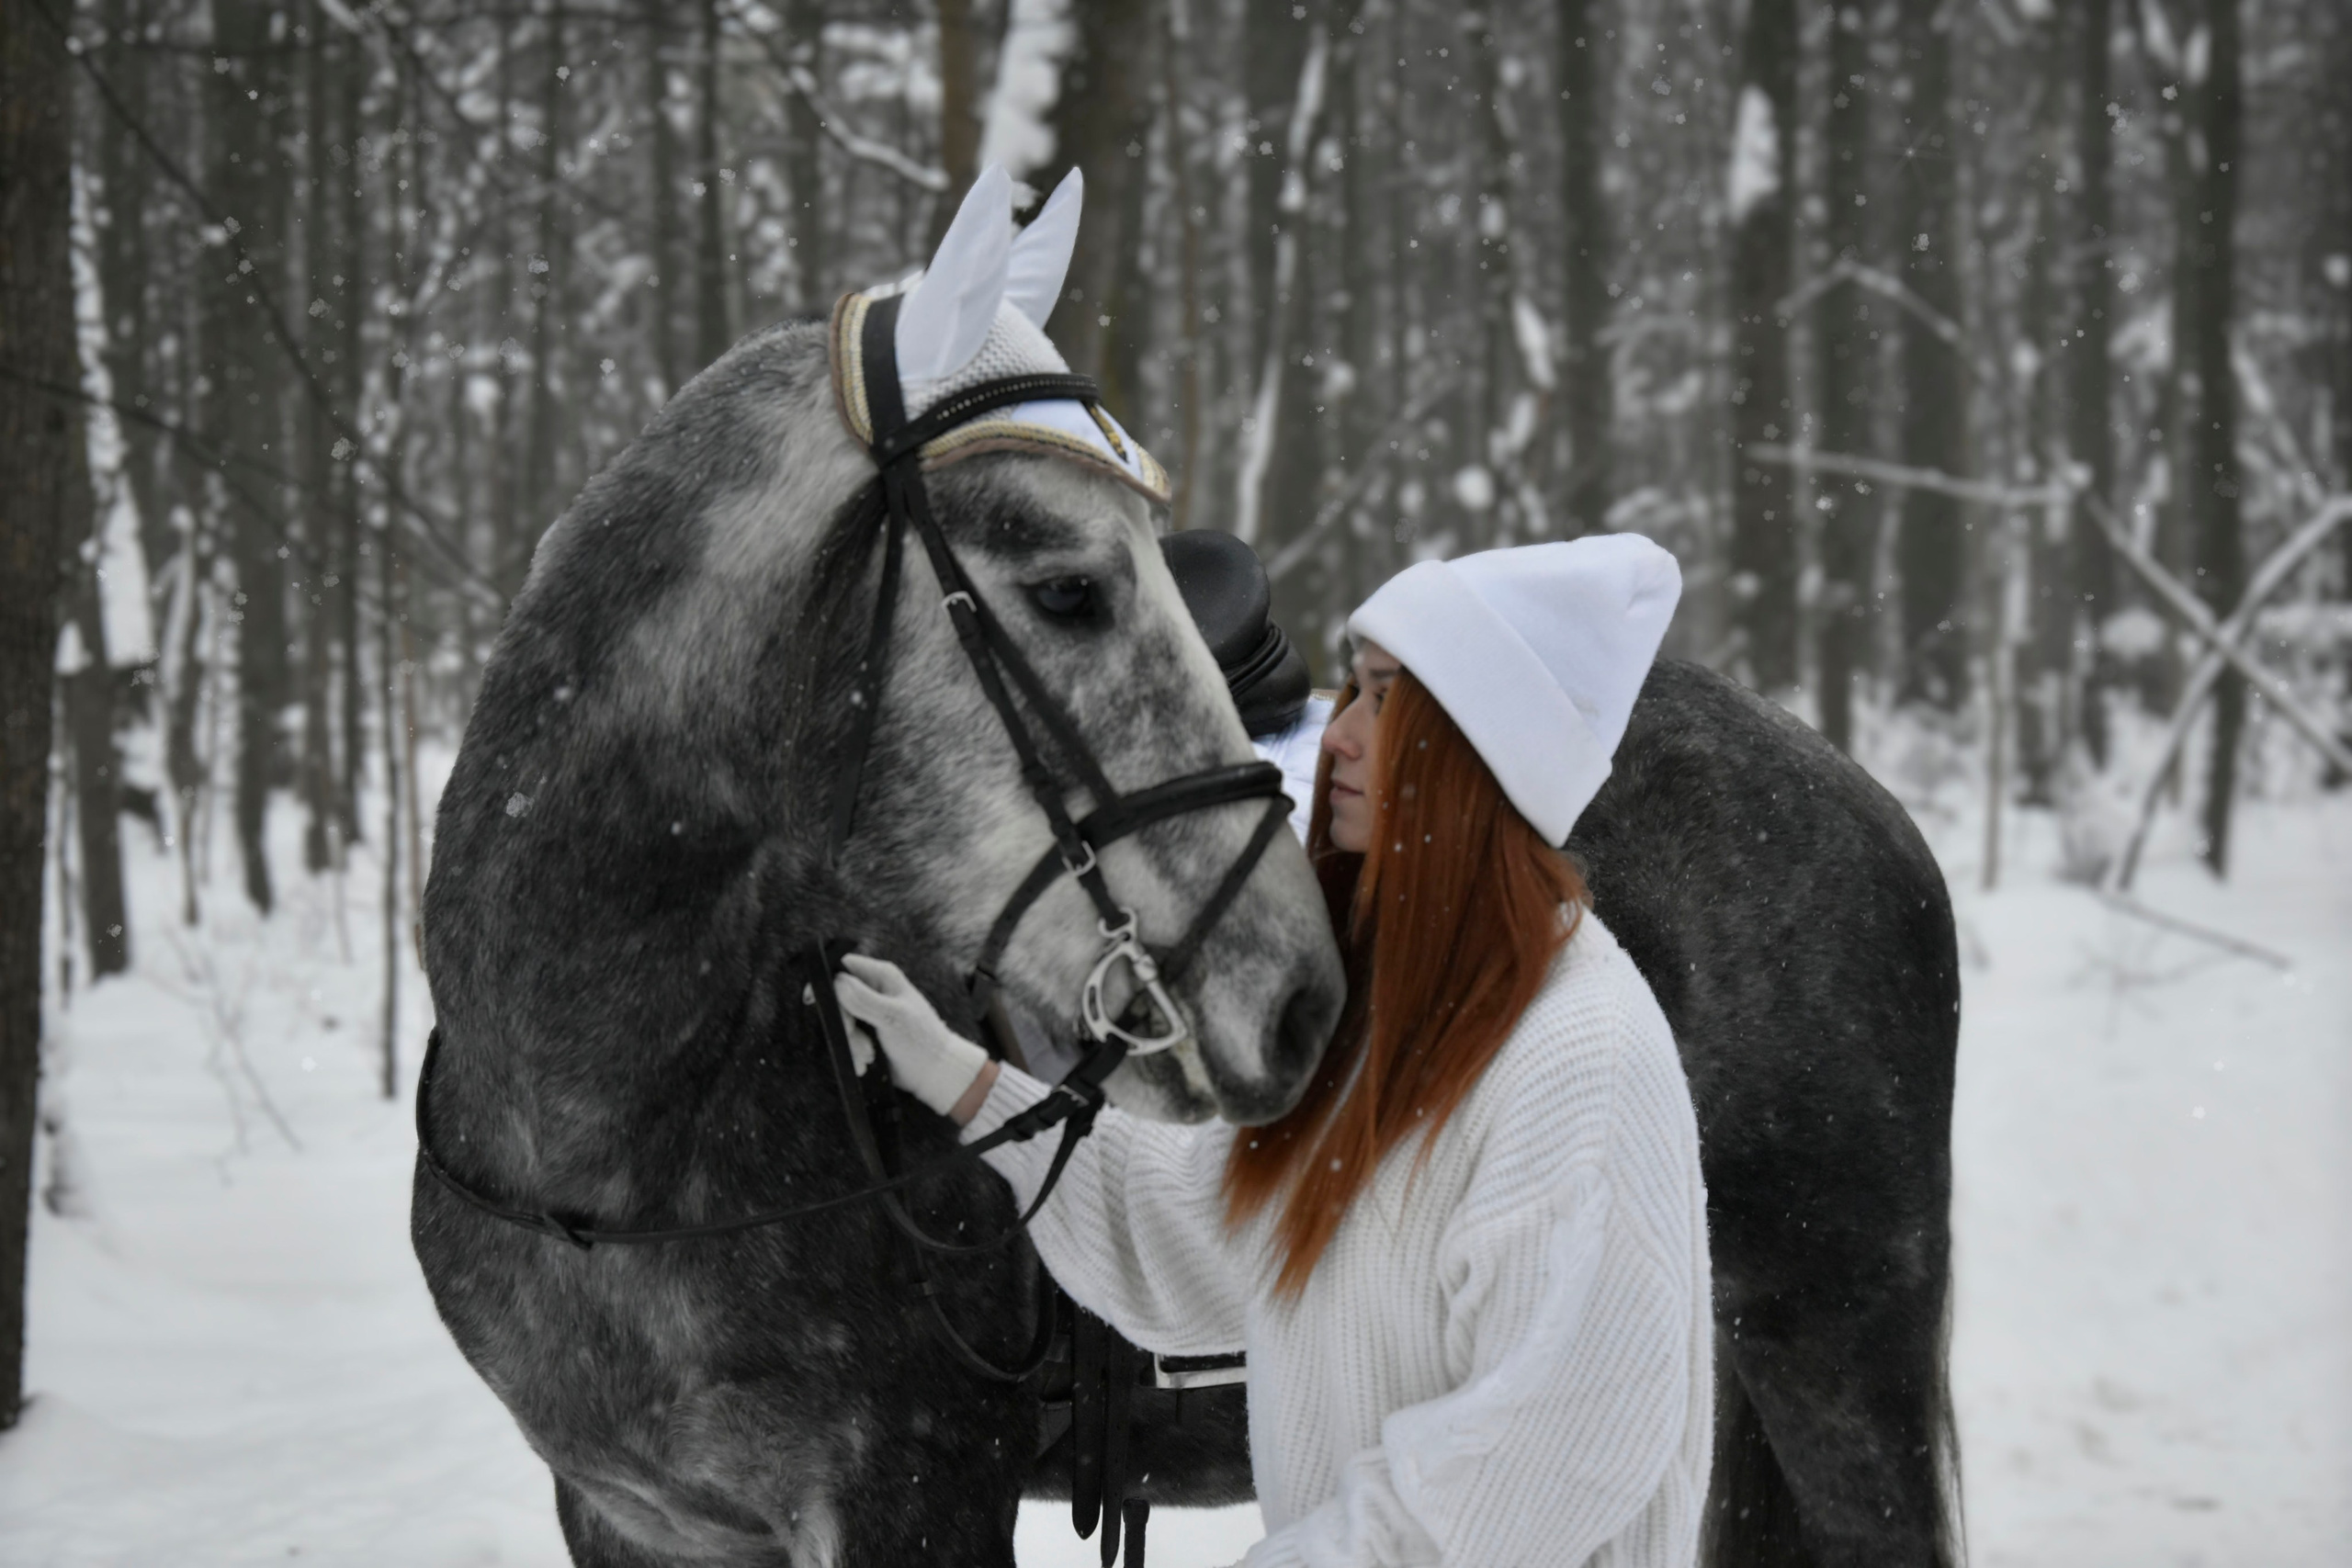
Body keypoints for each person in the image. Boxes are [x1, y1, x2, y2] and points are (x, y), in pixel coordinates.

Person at [837, 535, 1712, 1567]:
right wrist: (962, 1079)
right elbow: (1202, 1222)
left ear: (1476, 760)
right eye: (1352, 693)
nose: (1334, 738)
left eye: (1385, 705)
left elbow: (1538, 1462)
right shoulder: (1390, 1014)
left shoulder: (1576, 1060)